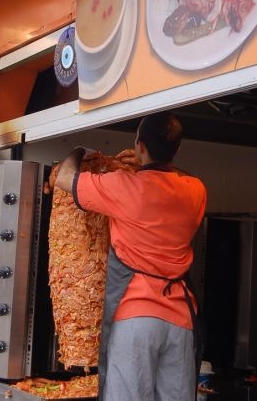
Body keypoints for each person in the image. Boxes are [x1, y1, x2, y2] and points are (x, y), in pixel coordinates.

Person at [55, 112, 207, 401]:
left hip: (135, 317)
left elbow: (64, 178)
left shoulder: (124, 186)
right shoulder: (195, 190)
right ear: (177, 149)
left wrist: (79, 151)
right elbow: (181, 175)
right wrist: (155, 162)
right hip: (181, 322)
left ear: (139, 145)